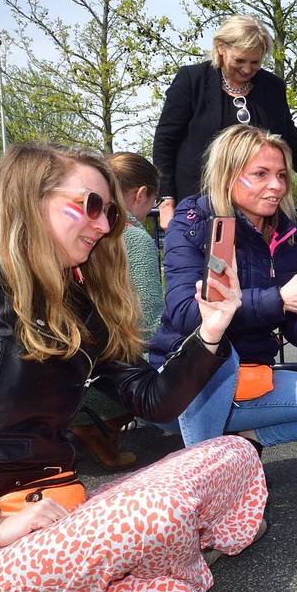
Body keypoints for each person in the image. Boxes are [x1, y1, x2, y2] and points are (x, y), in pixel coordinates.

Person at [0, 143, 265, 592]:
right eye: (90, 205)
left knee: (233, 453)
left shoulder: (79, 302)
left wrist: (211, 333)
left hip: (67, 515)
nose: (105, 226)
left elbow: (152, 401)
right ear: (30, 200)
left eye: (109, 210)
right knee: (160, 513)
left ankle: (94, 585)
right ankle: (110, 588)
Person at [150, 124, 297, 449]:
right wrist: (280, 300)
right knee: (219, 354)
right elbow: (187, 315)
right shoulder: (193, 222)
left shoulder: (290, 235)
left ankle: (240, 443)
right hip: (182, 384)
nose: (276, 186)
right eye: (260, 174)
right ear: (227, 175)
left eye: (282, 175)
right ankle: (209, 472)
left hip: (254, 379)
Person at [152, 14, 297, 230]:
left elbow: (290, 142)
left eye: (255, 62)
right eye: (239, 60)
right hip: (200, 203)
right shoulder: (191, 80)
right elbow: (165, 142)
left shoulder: (273, 88)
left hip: (258, 212)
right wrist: (166, 201)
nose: (247, 69)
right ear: (221, 47)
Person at [68, 152, 168, 469]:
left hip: (70, 360)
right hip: (102, 362)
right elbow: (148, 316)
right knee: (169, 364)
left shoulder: (76, 231)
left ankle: (86, 417)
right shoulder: (134, 238)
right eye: (152, 201)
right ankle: (97, 421)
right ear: (140, 194)